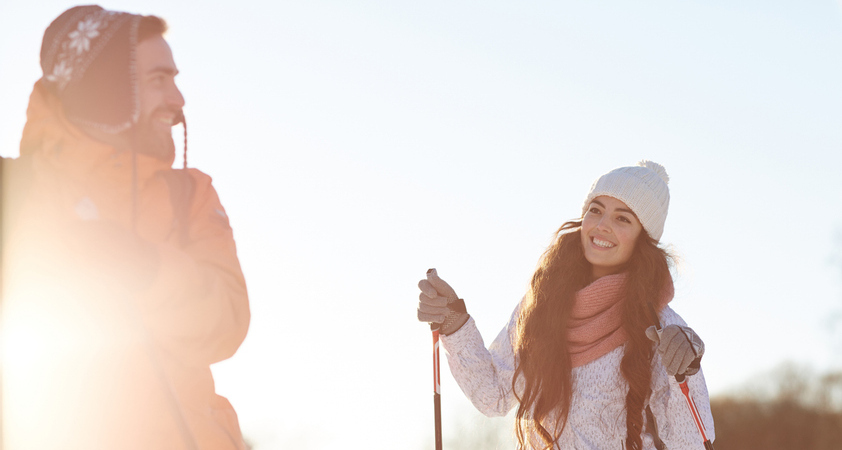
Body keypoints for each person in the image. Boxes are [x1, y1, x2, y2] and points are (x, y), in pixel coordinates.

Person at [1, 5, 249, 450]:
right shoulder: (14, 193)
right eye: (158, 80)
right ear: (107, 90)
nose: (178, 99)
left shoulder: (188, 196)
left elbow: (227, 322)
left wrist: (149, 269)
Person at [417, 161, 714, 450]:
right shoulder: (542, 306)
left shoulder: (661, 327)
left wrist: (686, 372)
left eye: (622, 219)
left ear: (643, 238)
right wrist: (455, 323)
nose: (602, 225)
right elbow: (493, 395)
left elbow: (691, 444)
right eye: (595, 210)